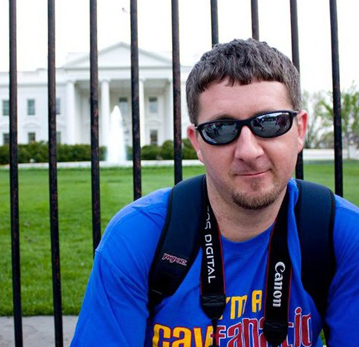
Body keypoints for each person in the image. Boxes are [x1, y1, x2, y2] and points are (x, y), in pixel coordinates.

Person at [70, 39, 359, 347]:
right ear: (197, 143)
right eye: (221, 129)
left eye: (270, 123)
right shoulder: (138, 236)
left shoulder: (340, 234)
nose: (249, 151)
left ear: (300, 130)